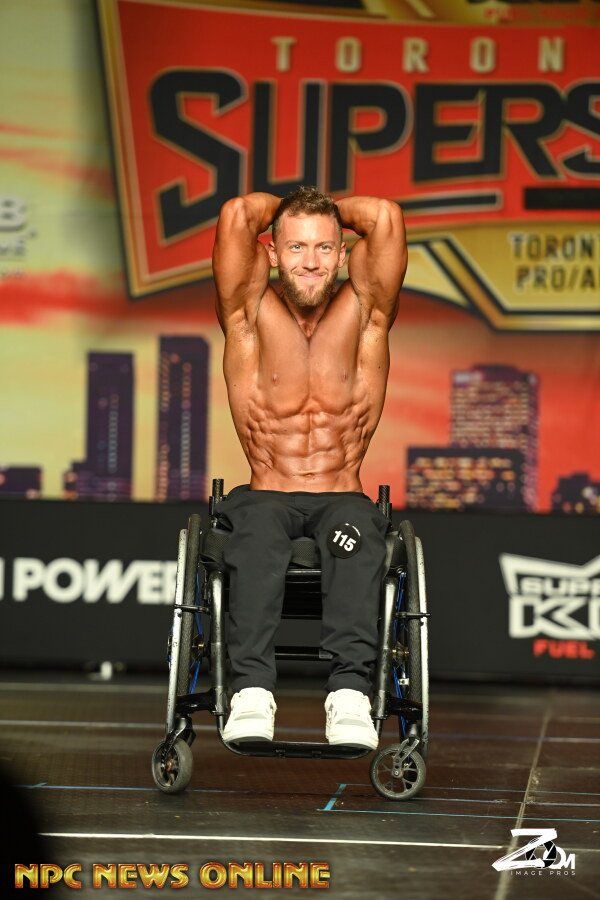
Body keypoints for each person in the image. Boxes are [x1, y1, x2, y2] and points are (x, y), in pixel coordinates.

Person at [211, 187, 407, 749]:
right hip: (265, 493)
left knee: (359, 535)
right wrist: (296, 210)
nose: (311, 261)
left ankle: (350, 695)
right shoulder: (248, 313)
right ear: (272, 251)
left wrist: (325, 210)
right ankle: (251, 692)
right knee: (254, 534)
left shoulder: (366, 313)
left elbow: (385, 216)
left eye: (324, 247)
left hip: (341, 496)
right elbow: (237, 215)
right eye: (296, 246)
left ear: (343, 253)